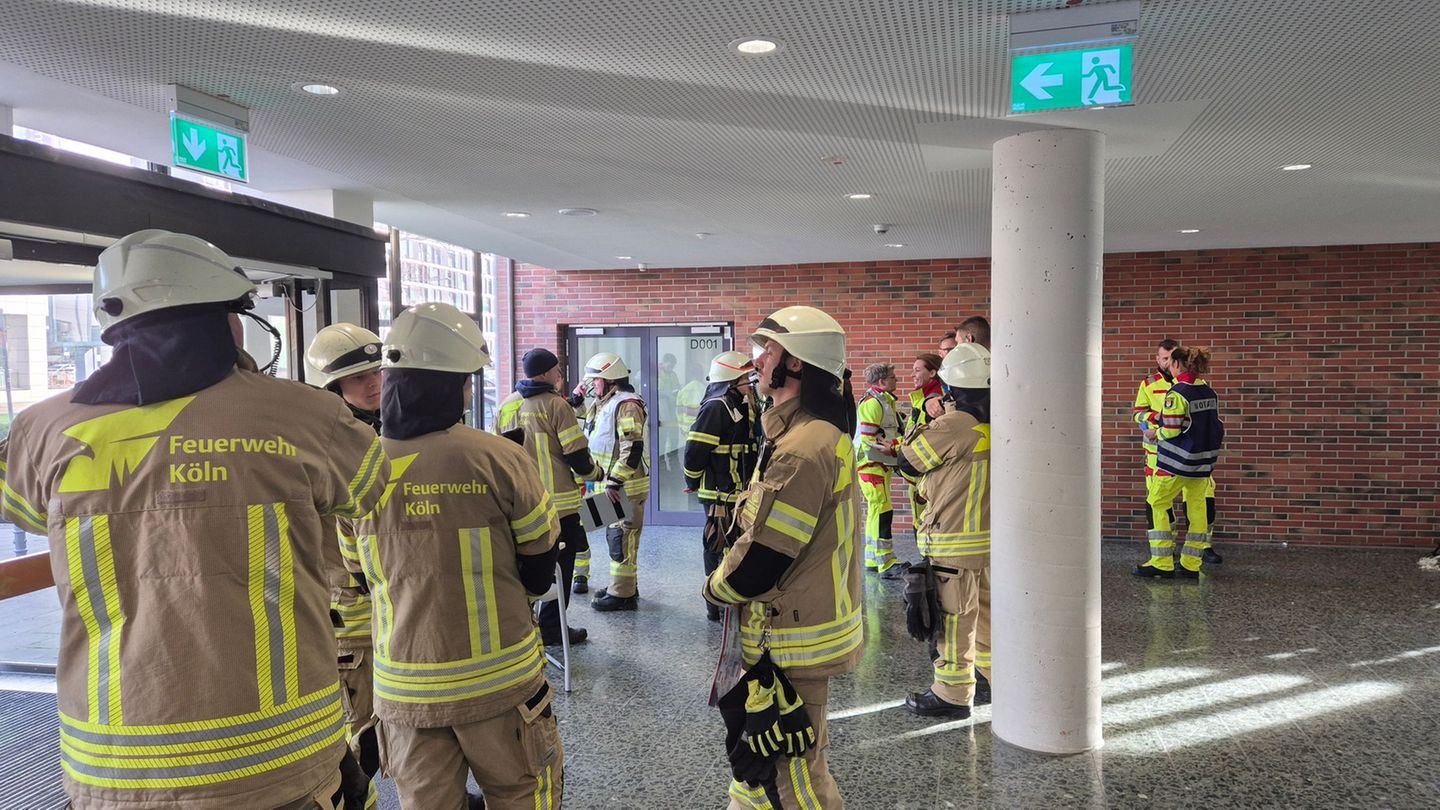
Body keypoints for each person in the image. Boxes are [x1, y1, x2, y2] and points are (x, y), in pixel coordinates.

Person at [0, 230, 388, 809]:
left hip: (112, 763)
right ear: (224, 321)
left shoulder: (41, 429)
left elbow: (23, 512)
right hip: (277, 753)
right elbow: (369, 488)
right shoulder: (307, 416)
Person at [347, 301, 562, 809]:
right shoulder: (498, 457)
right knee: (520, 794)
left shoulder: (357, 468)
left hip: (403, 689)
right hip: (501, 683)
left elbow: (360, 576)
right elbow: (538, 563)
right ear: (455, 384)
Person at [703, 306, 862, 809]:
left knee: (794, 779)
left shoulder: (802, 446)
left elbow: (764, 561)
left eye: (767, 349)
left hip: (790, 637)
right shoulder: (804, 433)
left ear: (796, 364)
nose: (757, 359)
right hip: (794, 628)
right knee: (762, 767)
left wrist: (712, 588)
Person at [304, 323, 386, 804]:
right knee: (364, 731)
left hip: (389, 600)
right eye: (359, 379)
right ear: (332, 389)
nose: (373, 383)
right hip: (351, 608)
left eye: (376, 371)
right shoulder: (323, 445)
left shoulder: (382, 430)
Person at [898, 344, 993, 718]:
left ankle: (952, 694)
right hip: (989, 543)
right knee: (985, 616)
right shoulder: (1001, 421)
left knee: (953, 620)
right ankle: (987, 677)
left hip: (953, 541)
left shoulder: (953, 425)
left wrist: (930, 414)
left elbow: (908, 461)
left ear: (951, 388)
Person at [514, 347, 600, 644]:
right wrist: (598, 475)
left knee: (524, 568)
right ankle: (552, 629)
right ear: (546, 374)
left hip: (520, 507)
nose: (561, 377)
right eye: (558, 371)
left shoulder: (508, 406)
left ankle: (526, 628)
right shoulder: (555, 406)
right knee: (559, 569)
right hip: (559, 507)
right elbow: (577, 456)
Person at [1135, 346, 1224, 579]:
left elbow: (1172, 430)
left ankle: (1162, 562)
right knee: (1197, 509)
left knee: (1156, 501)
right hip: (1202, 463)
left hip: (1176, 462)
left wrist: (1155, 434)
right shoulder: (1208, 391)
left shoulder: (1178, 392)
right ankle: (1191, 564)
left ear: (1176, 365)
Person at [683, 350, 759, 620]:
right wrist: (691, 480)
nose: (750, 383)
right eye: (745, 378)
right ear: (730, 380)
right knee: (716, 545)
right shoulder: (716, 407)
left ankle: (731, 597)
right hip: (718, 493)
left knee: (736, 546)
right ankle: (713, 603)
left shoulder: (744, 403)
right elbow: (695, 450)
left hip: (738, 491)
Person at [574, 351, 650, 611]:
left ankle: (623, 595)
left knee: (622, 539)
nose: (592, 386)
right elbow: (583, 424)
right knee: (615, 536)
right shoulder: (607, 402)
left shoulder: (627, 404)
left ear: (610, 380)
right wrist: (576, 400)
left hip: (624, 487)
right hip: (611, 486)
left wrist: (615, 482)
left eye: (596, 381)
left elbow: (632, 448)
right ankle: (624, 586)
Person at [855, 362, 905, 577]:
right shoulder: (874, 403)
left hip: (877, 465)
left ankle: (873, 559)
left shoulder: (882, 401)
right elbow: (867, 440)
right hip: (872, 465)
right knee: (883, 510)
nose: (897, 380)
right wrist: (889, 453)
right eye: (893, 378)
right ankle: (886, 562)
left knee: (877, 509)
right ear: (882, 381)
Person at [902, 352, 945, 524]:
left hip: (927, 476)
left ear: (932, 373)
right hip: (920, 476)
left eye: (917, 370)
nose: (913, 375)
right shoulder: (921, 398)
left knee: (924, 524)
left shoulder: (934, 401)